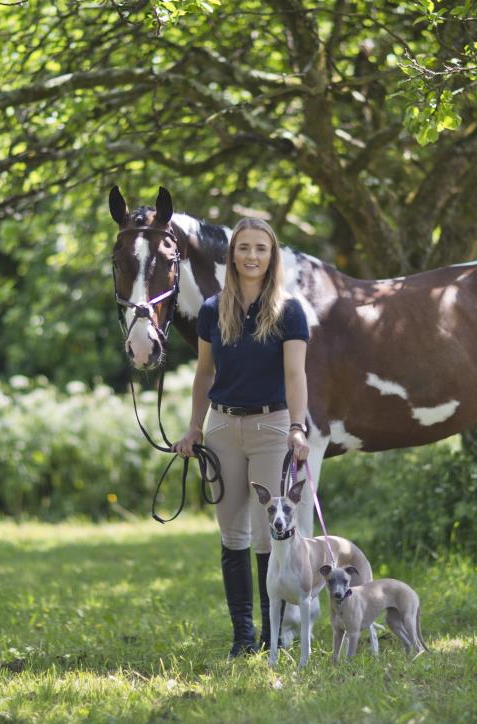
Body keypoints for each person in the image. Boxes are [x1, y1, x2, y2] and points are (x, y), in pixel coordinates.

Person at [172, 217, 310, 658]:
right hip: (223, 428)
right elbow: (204, 374)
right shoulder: (212, 309)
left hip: (272, 427)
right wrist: (194, 428)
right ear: (232, 255)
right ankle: (243, 637)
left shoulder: (290, 310)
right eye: (244, 248)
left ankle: (273, 635)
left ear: (272, 257)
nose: (252, 256)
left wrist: (298, 426)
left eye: (261, 249)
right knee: (233, 536)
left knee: (271, 534)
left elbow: (295, 374)